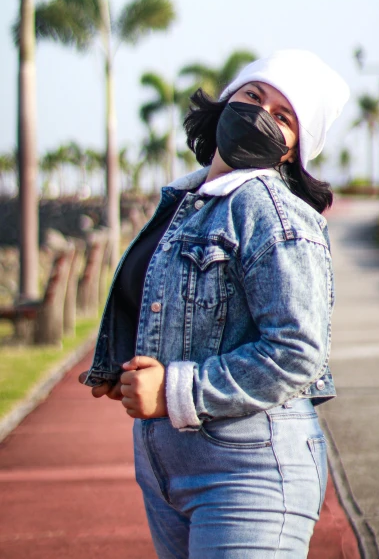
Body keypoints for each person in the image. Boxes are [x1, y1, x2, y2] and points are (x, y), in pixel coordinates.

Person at [80, 48, 349, 558]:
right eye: (252, 95)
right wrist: (125, 369)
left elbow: (297, 350)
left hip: (248, 474)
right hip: (166, 469)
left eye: (282, 115)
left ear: (292, 149)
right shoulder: (183, 201)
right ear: (225, 102)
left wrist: (176, 389)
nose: (259, 114)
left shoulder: (272, 211)